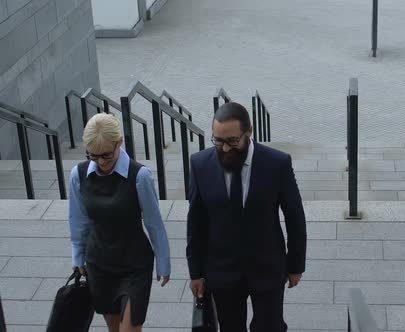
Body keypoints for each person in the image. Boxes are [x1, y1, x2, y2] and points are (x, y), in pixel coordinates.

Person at [186, 102, 307, 331]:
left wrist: (295, 265)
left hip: (267, 268)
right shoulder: (200, 164)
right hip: (222, 271)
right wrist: (196, 272)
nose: (225, 149)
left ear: (248, 132)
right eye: (218, 141)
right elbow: (196, 222)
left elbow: (295, 215)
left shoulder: (277, 164)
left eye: (232, 141)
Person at [68, 113, 171, 332]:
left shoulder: (139, 176)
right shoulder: (78, 174)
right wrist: (78, 257)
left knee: (130, 329)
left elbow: (154, 222)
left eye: (107, 155)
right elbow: (79, 221)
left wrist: (163, 262)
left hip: (135, 265)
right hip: (100, 264)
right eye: (93, 156)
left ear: (119, 143)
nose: (101, 162)